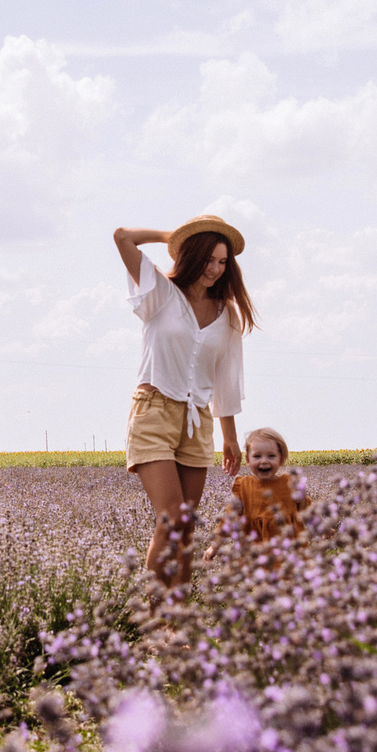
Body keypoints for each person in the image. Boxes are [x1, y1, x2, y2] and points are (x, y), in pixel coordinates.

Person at [114, 215, 253, 585]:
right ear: (191, 255)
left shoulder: (227, 313)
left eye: (223, 262)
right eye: (209, 259)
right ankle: (156, 626)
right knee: (171, 519)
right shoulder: (161, 293)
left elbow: (225, 377)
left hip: (198, 420)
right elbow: (123, 236)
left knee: (187, 527)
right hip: (153, 411)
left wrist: (230, 437)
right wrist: (170, 236)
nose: (215, 269)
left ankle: (180, 624)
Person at [227, 425, 308, 550]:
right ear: (248, 460)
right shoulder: (242, 486)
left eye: (271, 456)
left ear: (281, 459)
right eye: (257, 456)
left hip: (288, 549)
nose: (264, 461)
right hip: (255, 550)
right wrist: (214, 545)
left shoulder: (290, 484)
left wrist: (323, 527)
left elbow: (306, 510)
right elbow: (230, 517)